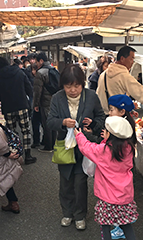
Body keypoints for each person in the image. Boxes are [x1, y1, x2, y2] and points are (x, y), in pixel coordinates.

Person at [74, 114, 141, 240]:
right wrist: (107, 139)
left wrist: (79, 135)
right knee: (126, 223)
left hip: (107, 197)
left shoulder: (103, 150)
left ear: (110, 134)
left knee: (105, 225)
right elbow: (112, 147)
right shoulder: (129, 148)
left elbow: (87, 147)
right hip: (125, 195)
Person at [47, 64, 105, 230]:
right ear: (62, 85)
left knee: (80, 183)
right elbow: (50, 121)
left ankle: (80, 215)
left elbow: (101, 118)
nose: (73, 90)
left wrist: (93, 125)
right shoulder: (57, 98)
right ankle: (67, 212)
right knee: (65, 182)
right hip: (64, 147)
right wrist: (63, 123)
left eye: (76, 86)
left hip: (84, 147)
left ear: (83, 83)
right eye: (68, 86)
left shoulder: (91, 96)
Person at [0, 57, 37, 165]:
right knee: (26, 131)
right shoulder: (19, 72)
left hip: (8, 108)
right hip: (22, 105)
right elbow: (29, 89)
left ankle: (16, 155)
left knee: (11, 133)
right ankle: (28, 155)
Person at [33, 52, 57, 152]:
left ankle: (48, 146)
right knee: (54, 122)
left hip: (45, 101)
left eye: (37, 62)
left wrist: (36, 104)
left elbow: (38, 91)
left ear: (41, 61)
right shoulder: (54, 69)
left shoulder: (40, 73)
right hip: (54, 100)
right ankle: (53, 144)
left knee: (46, 124)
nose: (36, 64)